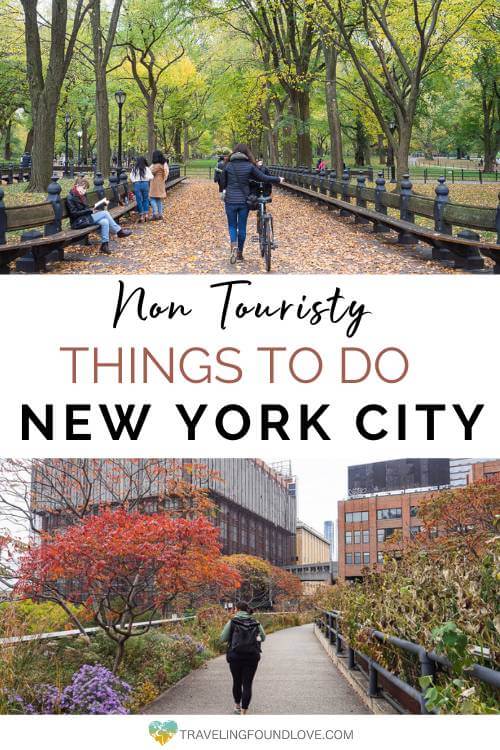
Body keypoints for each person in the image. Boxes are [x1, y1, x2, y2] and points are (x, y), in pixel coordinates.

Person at [219, 143, 283, 262]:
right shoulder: (249, 166)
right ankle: (239, 253)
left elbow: (222, 181)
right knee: (242, 227)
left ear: (234, 153)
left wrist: (224, 190)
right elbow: (263, 177)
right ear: (246, 153)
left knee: (232, 225)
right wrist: (278, 179)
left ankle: (233, 245)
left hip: (230, 200)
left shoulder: (228, 166)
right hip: (244, 200)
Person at [66, 176, 132, 254]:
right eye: (83, 188)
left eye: (86, 189)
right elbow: (74, 213)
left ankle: (104, 245)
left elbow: (85, 209)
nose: (84, 191)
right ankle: (119, 231)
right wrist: (90, 211)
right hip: (78, 222)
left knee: (104, 222)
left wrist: (92, 210)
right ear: (76, 185)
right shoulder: (70, 197)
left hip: (85, 218)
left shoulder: (82, 195)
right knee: (104, 213)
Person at [220, 602, 266, 715]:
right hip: (252, 657)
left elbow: (223, 638)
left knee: (237, 681)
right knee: (247, 684)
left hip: (235, 656)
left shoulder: (232, 622)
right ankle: (244, 711)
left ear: (237, 609)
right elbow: (263, 637)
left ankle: (237, 706)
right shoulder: (255, 622)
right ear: (247, 610)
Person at [130, 156, 154, 222]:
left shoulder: (134, 168)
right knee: (145, 199)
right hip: (145, 184)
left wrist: (135, 181)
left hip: (137, 184)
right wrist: (146, 178)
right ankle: (146, 214)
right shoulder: (146, 168)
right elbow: (152, 177)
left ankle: (141, 215)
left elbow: (131, 177)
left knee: (139, 200)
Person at [149, 150, 169, 220]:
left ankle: (155, 214)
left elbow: (150, 172)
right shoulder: (163, 164)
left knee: (151, 198)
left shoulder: (156, 165)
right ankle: (160, 214)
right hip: (161, 182)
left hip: (155, 183)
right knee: (158, 199)